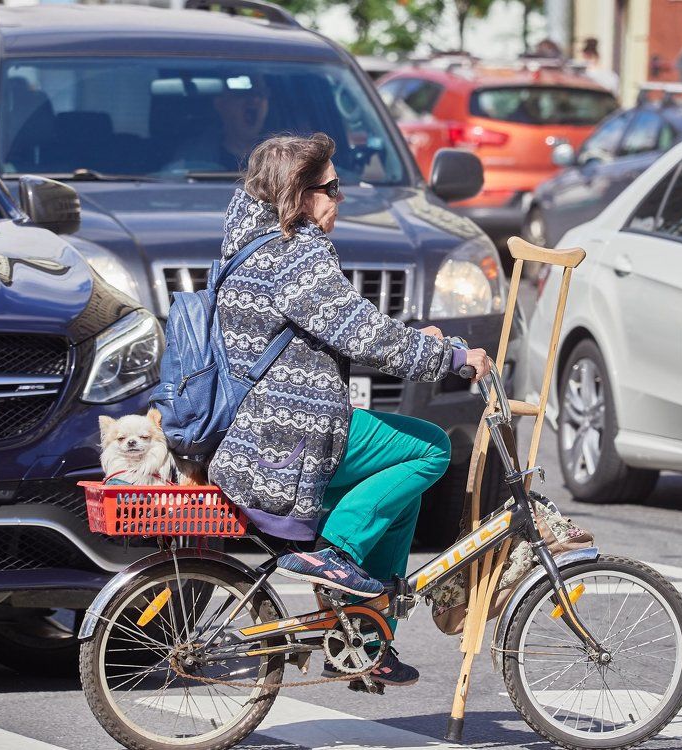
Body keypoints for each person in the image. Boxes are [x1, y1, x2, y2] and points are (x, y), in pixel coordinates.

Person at [208, 132, 491, 688]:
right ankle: (335, 554)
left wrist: (413, 339)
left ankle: (364, 636)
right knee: (429, 448)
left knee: (398, 493)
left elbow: (329, 332)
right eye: (333, 188)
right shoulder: (294, 249)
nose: (341, 198)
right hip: (291, 438)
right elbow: (357, 332)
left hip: (261, 436)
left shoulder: (250, 238)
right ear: (299, 193)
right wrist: (450, 355)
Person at [169, 75, 271, 172]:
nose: (254, 100)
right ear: (220, 104)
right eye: (242, 94)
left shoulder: (281, 155)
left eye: (261, 93)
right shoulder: (191, 157)